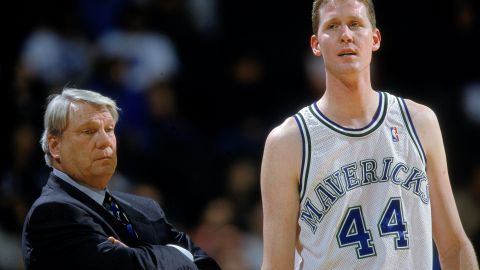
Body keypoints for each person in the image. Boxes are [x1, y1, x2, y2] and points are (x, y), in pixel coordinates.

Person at [260, 0, 479, 269]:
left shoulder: (420, 122)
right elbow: (276, 265)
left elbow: (454, 246)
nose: (346, 35)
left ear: (375, 39)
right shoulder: (287, 143)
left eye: (355, 24)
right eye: (332, 26)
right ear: (316, 45)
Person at [21, 88, 221, 270]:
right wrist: (179, 255)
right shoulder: (52, 212)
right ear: (55, 146)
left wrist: (138, 257)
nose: (104, 141)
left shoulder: (147, 208)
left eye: (109, 129)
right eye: (88, 131)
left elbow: (207, 265)